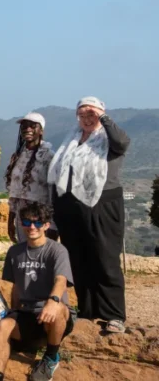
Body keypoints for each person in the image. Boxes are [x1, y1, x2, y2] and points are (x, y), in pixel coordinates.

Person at [0, 202, 75, 381]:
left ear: (46, 225)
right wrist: (13, 313)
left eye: (37, 222)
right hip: (27, 314)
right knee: (3, 325)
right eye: (26, 222)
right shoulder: (15, 253)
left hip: (53, 314)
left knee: (58, 310)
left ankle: (51, 357)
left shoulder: (57, 250)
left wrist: (53, 301)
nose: (31, 226)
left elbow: (61, 280)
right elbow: (14, 288)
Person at [48, 97, 131, 334]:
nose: (87, 119)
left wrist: (103, 118)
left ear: (102, 115)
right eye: (83, 114)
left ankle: (114, 314)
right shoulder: (71, 140)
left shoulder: (108, 139)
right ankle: (88, 309)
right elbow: (59, 175)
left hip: (103, 204)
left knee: (105, 258)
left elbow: (123, 143)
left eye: (92, 114)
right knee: (79, 259)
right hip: (70, 207)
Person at [5, 112, 55, 243]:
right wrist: (11, 220)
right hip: (22, 214)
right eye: (24, 126)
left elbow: (52, 190)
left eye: (33, 126)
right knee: (25, 249)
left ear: (41, 130)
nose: (28, 129)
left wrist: (52, 223)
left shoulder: (48, 156)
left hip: (40, 213)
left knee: (41, 250)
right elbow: (14, 192)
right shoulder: (18, 156)